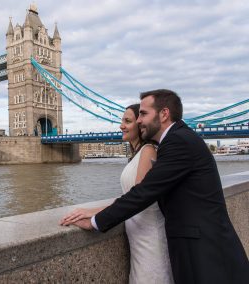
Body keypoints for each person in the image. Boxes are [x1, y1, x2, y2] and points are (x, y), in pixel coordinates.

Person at [61, 89, 249, 283]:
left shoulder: (178, 142)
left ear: (164, 114)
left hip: (205, 251)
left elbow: (144, 192)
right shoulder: (177, 139)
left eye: (143, 114)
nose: (139, 120)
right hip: (200, 245)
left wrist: (96, 221)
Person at [61, 104, 173, 283]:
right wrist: (93, 210)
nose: (121, 125)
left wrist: (95, 216)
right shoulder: (138, 153)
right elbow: (130, 195)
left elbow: (138, 199)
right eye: (122, 120)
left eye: (127, 121)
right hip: (139, 238)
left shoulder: (148, 151)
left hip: (150, 240)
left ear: (140, 125)